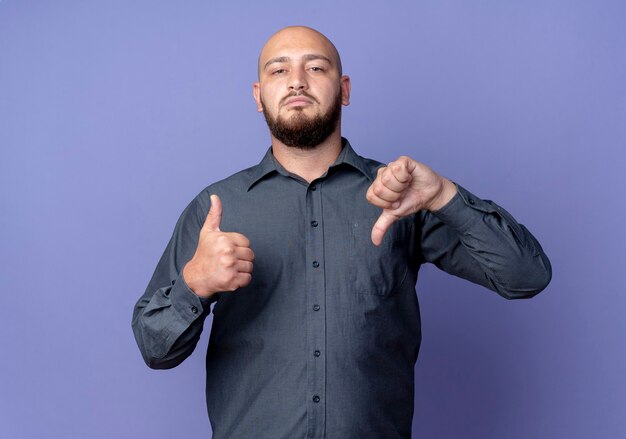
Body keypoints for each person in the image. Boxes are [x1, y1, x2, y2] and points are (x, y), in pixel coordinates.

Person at [132, 26, 551, 439]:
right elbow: (156, 350)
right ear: (259, 97)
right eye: (279, 71)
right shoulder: (216, 208)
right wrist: (195, 284)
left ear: (344, 89)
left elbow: (526, 277)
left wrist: (443, 194)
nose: (297, 81)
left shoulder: (400, 195)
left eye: (315, 67)